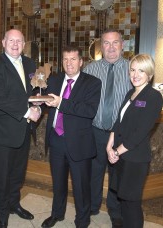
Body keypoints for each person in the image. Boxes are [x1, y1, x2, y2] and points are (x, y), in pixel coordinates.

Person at [0, 29, 41, 228]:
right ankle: (2, 215)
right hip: (3, 131)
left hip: (24, 130)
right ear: (3, 42)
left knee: (18, 173)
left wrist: (37, 106)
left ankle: (14, 204)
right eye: (11, 40)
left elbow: (34, 91)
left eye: (19, 41)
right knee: (2, 176)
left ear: (24, 44)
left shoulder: (30, 64)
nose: (15, 44)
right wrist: (27, 112)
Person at [41, 46, 101, 228]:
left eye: (73, 59)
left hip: (79, 143)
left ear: (81, 62)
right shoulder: (54, 80)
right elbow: (46, 103)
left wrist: (61, 102)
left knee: (81, 187)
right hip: (56, 140)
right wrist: (37, 107)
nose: (69, 63)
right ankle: (57, 214)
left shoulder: (92, 83)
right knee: (58, 183)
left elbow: (89, 111)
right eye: (66, 59)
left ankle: (82, 221)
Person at [106, 54, 163, 228]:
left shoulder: (153, 96)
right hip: (120, 156)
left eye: (141, 70)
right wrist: (109, 146)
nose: (135, 74)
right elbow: (118, 122)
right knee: (122, 199)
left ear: (150, 74)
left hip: (135, 159)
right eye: (132, 70)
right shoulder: (131, 93)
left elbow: (139, 133)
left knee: (131, 203)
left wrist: (116, 151)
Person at [83, 28, 132, 227]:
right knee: (93, 171)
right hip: (95, 131)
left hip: (120, 133)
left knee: (117, 174)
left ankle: (115, 211)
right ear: (100, 46)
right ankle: (92, 206)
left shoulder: (133, 69)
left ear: (122, 45)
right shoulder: (89, 69)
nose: (111, 47)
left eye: (115, 43)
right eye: (106, 43)